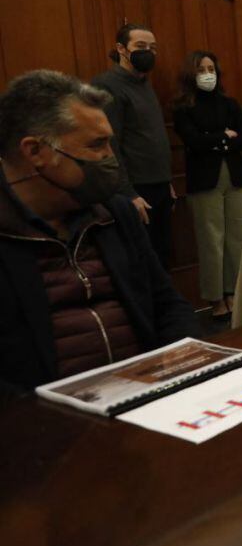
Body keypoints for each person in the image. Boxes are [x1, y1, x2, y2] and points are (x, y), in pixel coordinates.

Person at [0, 70, 199, 393]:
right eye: (97, 145)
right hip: (46, 424)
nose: (111, 158)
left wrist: (187, 369)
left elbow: (168, 305)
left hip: (150, 395)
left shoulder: (116, 213)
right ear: (35, 152)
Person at [173, 51, 242, 321]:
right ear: (191, 75)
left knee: (238, 238)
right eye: (201, 69)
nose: (208, 74)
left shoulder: (230, 104)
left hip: (236, 177)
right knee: (211, 241)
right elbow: (193, 141)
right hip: (204, 180)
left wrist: (215, 140)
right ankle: (215, 298)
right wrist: (224, 136)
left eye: (211, 68)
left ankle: (235, 293)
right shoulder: (183, 108)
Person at [92, 23, 175, 268]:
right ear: (121, 48)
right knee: (141, 261)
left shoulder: (144, 83)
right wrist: (129, 193)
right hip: (135, 190)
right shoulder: (108, 85)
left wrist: (166, 180)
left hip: (158, 185)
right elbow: (109, 144)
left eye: (153, 48)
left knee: (162, 256)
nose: (148, 52)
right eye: (140, 46)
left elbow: (150, 136)